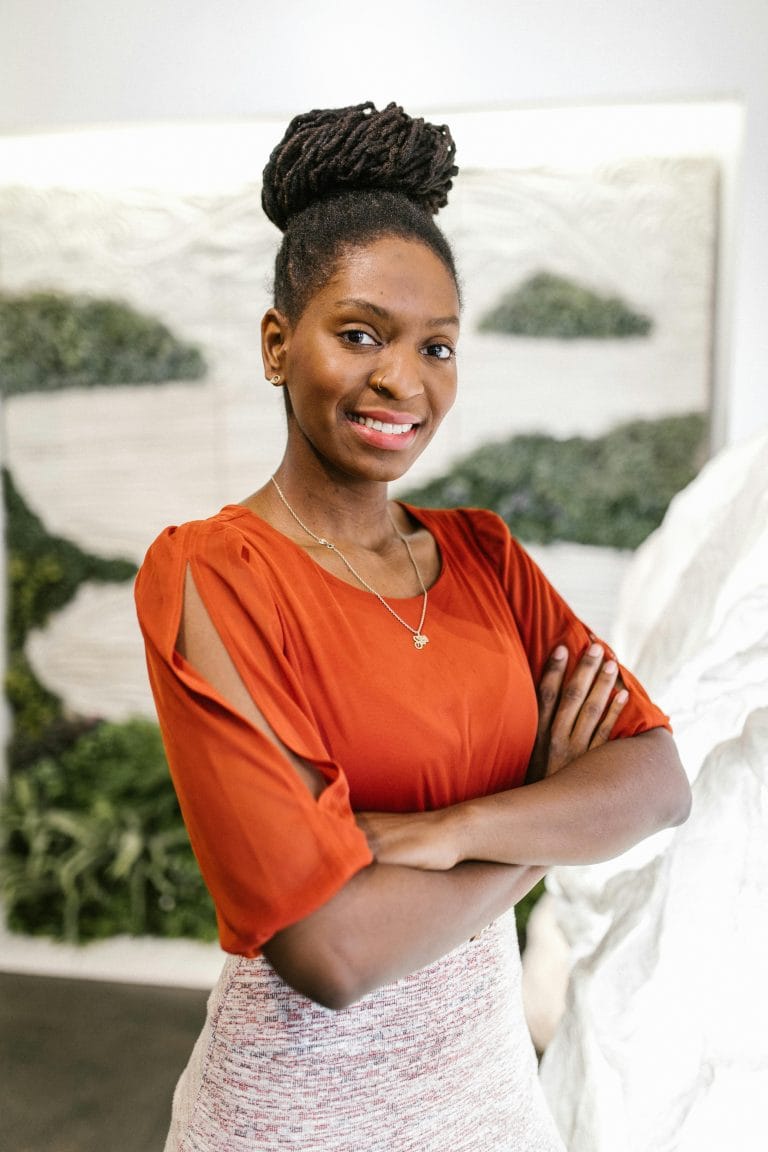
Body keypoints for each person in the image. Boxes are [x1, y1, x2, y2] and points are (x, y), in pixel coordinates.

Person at [134, 101, 691, 1152]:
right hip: (298, 1120)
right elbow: (329, 952)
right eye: (359, 335)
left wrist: (455, 830)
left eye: (437, 345)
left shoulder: (484, 556)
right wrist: (544, 815)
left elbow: (659, 782)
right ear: (275, 344)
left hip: (491, 1106)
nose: (404, 380)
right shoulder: (210, 575)